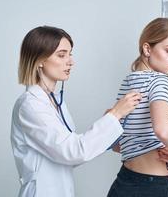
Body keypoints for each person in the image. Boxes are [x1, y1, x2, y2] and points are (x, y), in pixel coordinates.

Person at [10, 26, 142, 197]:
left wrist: (109, 130)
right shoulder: (30, 105)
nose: (71, 61)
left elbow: (70, 152)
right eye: (62, 55)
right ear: (39, 59)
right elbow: (73, 152)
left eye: (70, 54)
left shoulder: (55, 100)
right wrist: (114, 115)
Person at [107, 18, 168, 197]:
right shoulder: (159, 80)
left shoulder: (129, 82)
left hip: (123, 182)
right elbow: (164, 130)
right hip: (152, 187)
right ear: (147, 49)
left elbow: (116, 144)